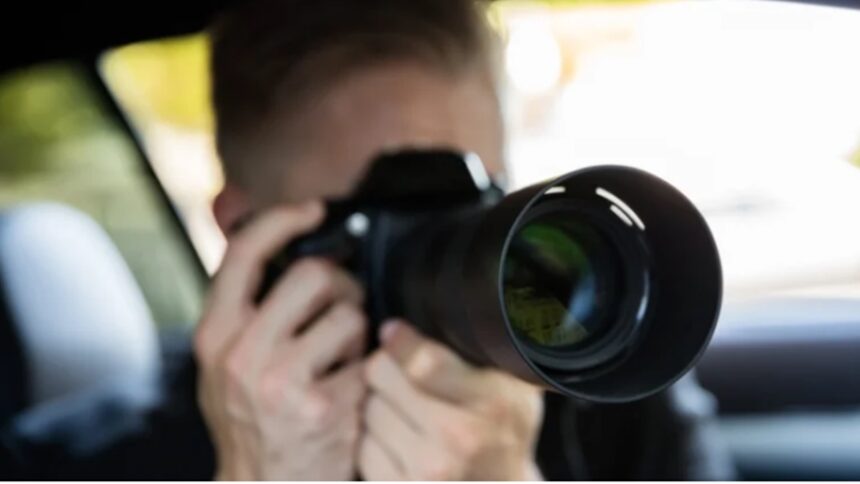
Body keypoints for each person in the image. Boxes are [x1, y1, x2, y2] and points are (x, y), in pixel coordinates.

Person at [1, 0, 734, 480]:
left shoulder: (612, 399)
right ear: (242, 229)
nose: (451, 255)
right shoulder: (73, 464)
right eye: (386, 221)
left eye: (470, 211)